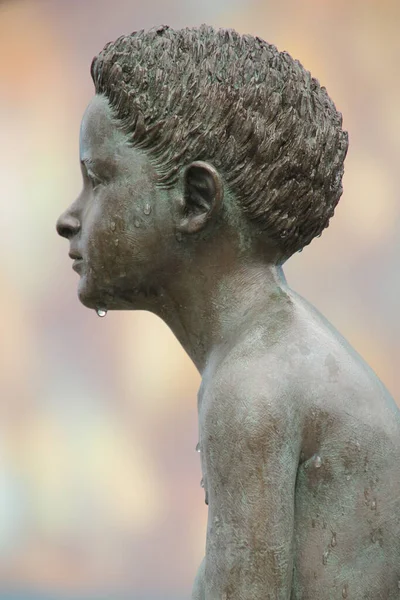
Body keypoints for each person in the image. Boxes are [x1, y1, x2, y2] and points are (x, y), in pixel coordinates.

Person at [56, 25, 400, 599]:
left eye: (98, 180)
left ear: (194, 199)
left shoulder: (252, 386)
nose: (70, 217)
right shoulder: (266, 356)